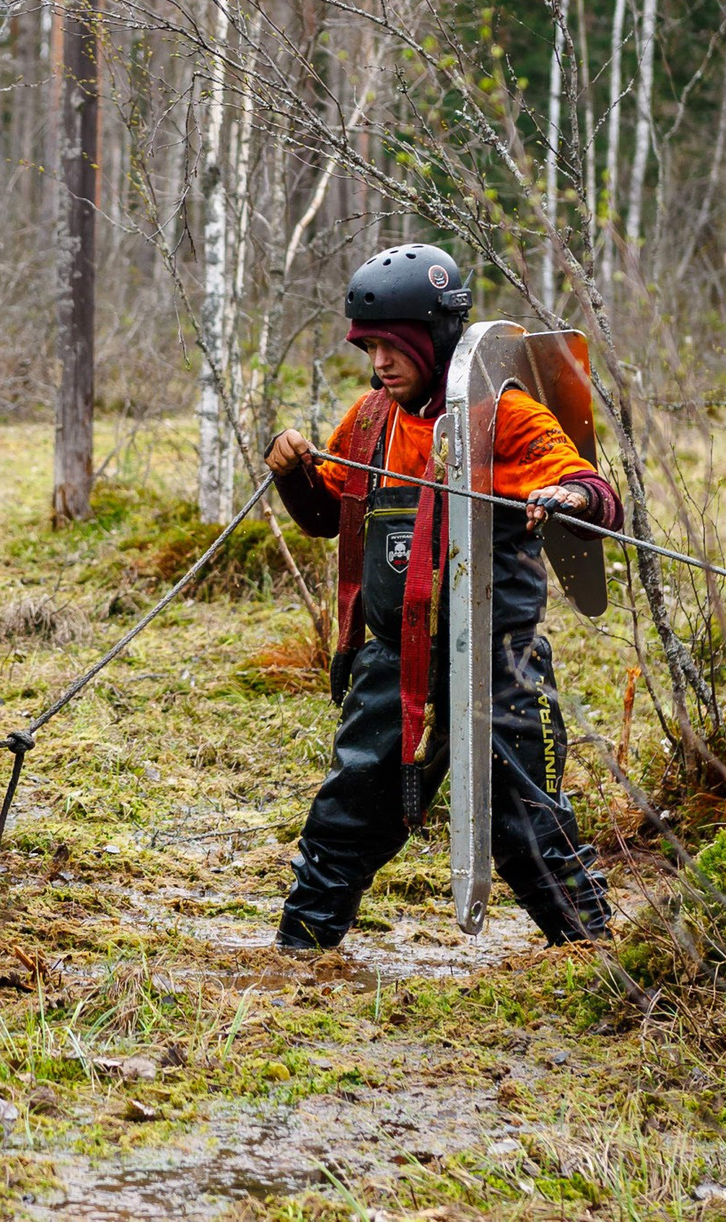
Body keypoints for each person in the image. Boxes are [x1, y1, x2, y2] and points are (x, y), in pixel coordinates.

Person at [263, 243, 621, 950]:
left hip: (500, 664)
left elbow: (599, 495)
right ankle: (299, 957)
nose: (380, 363)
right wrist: (292, 474)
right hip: (394, 666)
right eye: (369, 347)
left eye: (393, 346)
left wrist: (569, 494)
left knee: (531, 830)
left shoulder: (507, 417)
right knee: (344, 819)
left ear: (436, 334)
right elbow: (325, 517)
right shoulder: (370, 421)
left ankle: (599, 965)